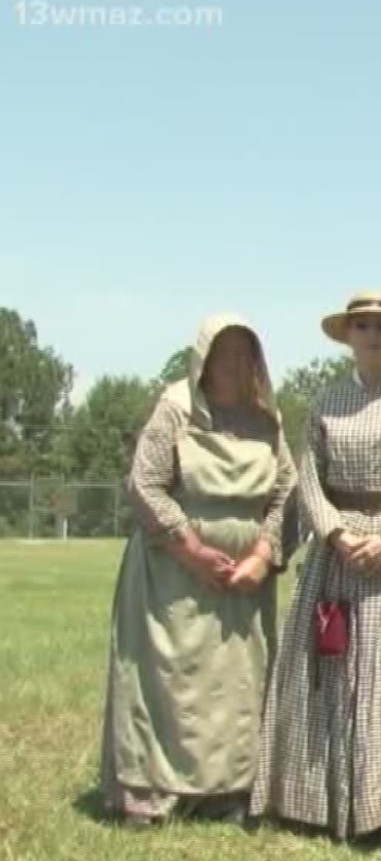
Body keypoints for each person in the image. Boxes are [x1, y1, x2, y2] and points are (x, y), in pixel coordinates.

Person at [250, 291, 381, 841]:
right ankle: (318, 798)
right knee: (329, 667)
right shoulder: (327, 400)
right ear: (347, 335)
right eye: (362, 326)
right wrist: (336, 532)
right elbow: (307, 475)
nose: (372, 335)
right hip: (337, 551)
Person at [98, 313, 296, 828]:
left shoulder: (265, 422)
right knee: (169, 680)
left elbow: (286, 493)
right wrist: (191, 549)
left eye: (243, 354)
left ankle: (226, 792)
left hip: (242, 585)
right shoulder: (175, 410)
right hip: (173, 576)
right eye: (223, 354)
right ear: (202, 361)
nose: (233, 364)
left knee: (233, 687)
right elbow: (146, 483)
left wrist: (263, 555)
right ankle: (152, 793)